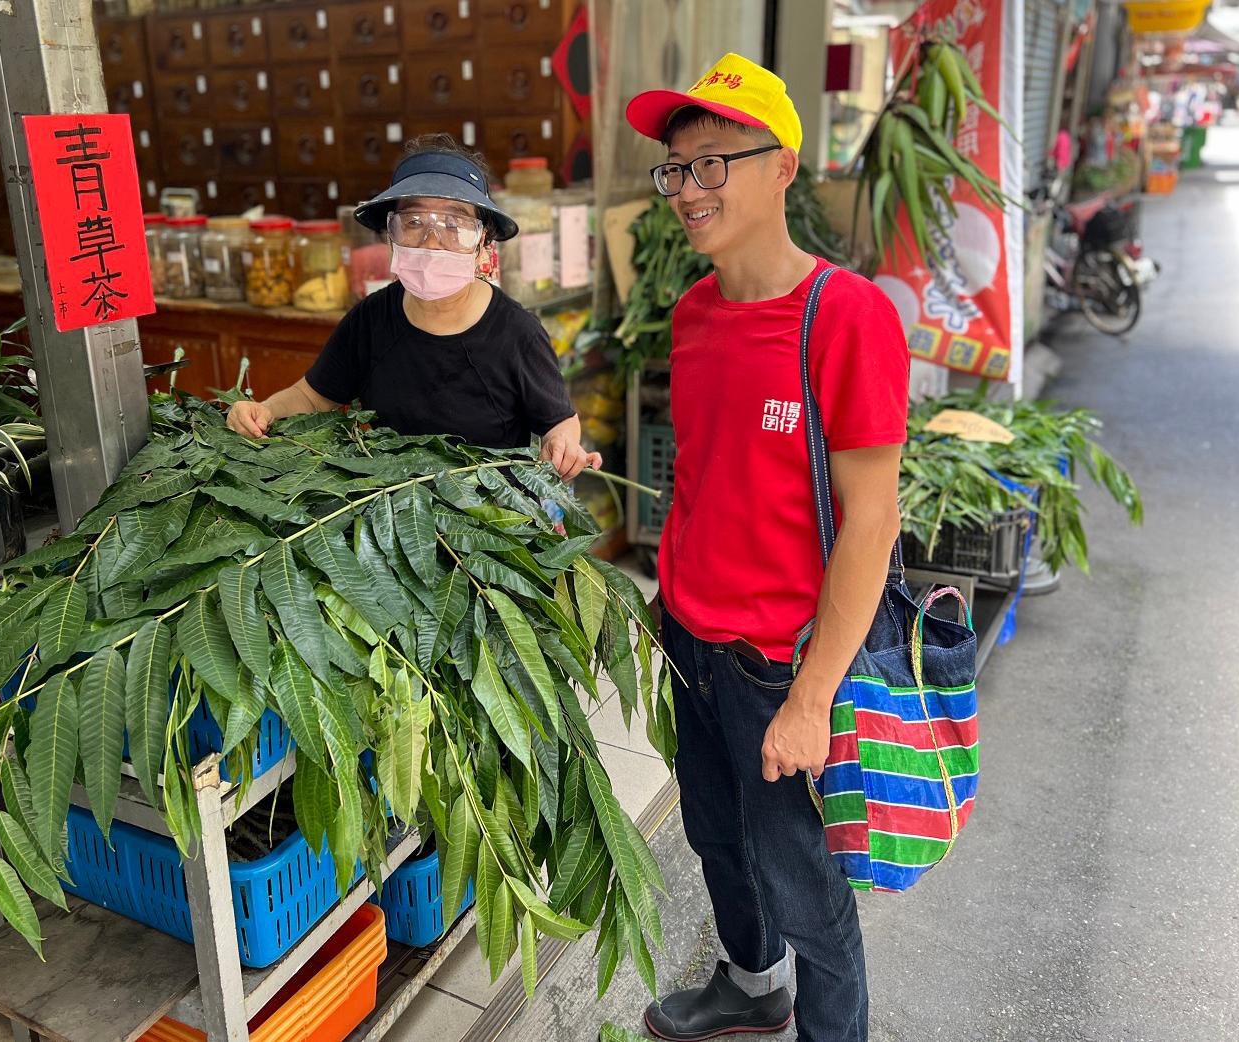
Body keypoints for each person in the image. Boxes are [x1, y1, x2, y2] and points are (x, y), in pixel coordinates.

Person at [625, 55, 910, 1042]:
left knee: (806, 884)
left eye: (713, 163)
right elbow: (702, 477)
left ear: (782, 166)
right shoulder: (695, 317)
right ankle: (752, 986)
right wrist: (667, 601)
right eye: (675, 169)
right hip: (692, 643)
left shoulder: (848, 316)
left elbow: (872, 522)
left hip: (780, 663)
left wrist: (811, 695)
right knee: (715, 840)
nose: (688, 189)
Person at [227, 135, 600, 480]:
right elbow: (312, 396)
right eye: (414, 221)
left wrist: (562, 444)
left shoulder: (517, 332)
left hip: (491, 524)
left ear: (484, 241)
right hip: (394, 516)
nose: (432, 241)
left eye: (454, 223)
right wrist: (265, 411)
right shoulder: (369, 320)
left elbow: (560, 421)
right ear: (390, 234)